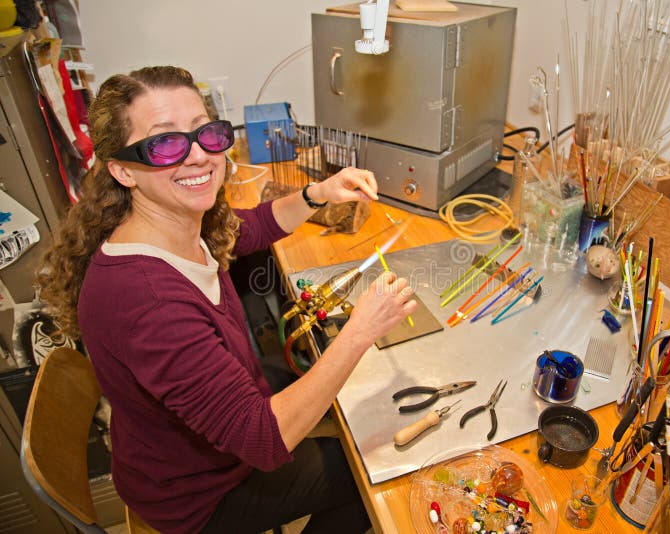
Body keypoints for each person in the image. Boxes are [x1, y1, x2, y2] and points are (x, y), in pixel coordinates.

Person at [35, 65, 417, 534]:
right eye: (165, 143)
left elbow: (251, 226)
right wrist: (359, 331)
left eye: (207, 133)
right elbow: (265, 439)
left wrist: (317, 194)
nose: (198, 156)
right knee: (366, 466)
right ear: (122, 171)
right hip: (198, 500)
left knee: (328, 386)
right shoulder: (148, 302)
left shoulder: (174, 225)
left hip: (193, 447)